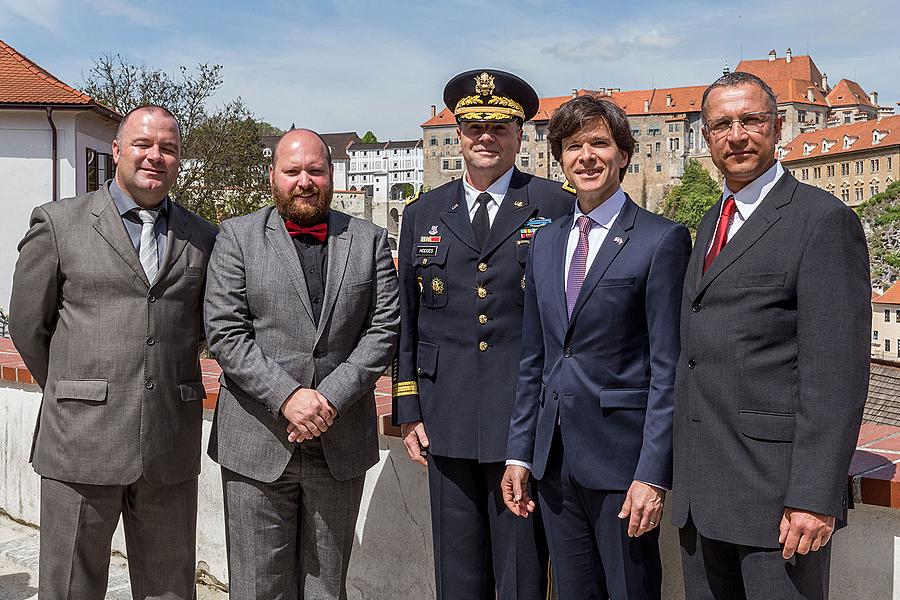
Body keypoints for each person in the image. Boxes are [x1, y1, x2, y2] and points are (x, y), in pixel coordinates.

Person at [671, 72, 871, 600]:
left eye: (751, 120)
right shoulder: (713, 219)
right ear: (707, 137)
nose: (737, 135)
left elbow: (836, 376)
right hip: (702, 497)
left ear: (777, 127)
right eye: (722, 124)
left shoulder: (821, 220)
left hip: (777, 503)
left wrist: (813, 495)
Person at [9, 105, 217, 599]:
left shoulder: (203, 236)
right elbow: (26, 327)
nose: (155, 156)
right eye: (144, 144)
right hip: (79, 442)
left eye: (168, 148)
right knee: (70, 588)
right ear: (117, 151)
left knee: (170, 589)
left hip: (168, 441)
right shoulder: (60, 224)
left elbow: (205, 329)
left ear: (179, 160)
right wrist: (73, 390)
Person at [392, 69, 572, 599]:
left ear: (520, 134)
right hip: (444, 418)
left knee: (520, 571)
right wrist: (408, 410)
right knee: (456, 572)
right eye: (473, 126)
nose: (485, 137)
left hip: (523, 419)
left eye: (500, 126)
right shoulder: (423, 211)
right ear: (459, 134)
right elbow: (407, 317)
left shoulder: (554, 205)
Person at [502, 95, 691, 599]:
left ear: (624, 154)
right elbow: (534, 360)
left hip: (622, 465)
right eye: (572, 146)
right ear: (558, 159)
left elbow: (667, 368)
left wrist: (653, 473)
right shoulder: (545, 241)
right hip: (554, 461)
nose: (586, 156)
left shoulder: (660, 239)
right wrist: (519, 455)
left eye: (599, 143)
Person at [205, 128, 399, 599]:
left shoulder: (368, 240)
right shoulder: (237, 237)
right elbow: (225, 333)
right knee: (256, 588)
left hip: (340, 441)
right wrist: (288, 397)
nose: (304, 181)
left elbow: (385, 328)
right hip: (256, 440)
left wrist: (328, 398)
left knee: (326, 588)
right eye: (292, 171)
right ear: (273, 175)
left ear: (331, 174)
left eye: (315, 170)